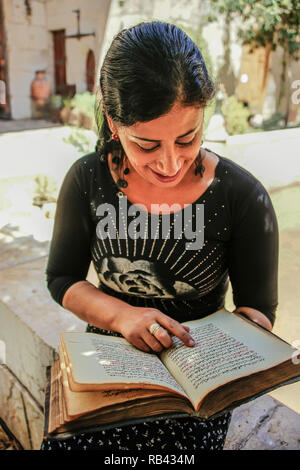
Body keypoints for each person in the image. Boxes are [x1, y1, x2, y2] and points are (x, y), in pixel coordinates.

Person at [40, 21, 278, 451]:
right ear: (113, 123)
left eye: (188, 138)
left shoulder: (242, 196)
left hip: (198, 386)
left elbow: (257, 309)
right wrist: (122, 317)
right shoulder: (87, 180)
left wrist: (241, 344)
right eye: (146, 145)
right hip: (108, 366)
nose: (170, 164)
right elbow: (61, 279)